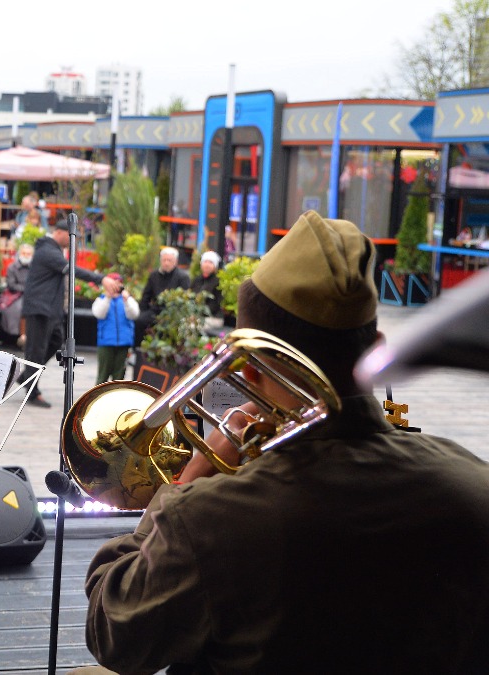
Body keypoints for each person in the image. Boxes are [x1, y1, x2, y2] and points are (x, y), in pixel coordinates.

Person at [78, 211, 489, 674]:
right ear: (375, 346)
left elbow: (112, 633)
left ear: (249, 368)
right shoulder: (475, 485)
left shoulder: (206, 519)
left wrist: (185, 484)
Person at [16, 219, 116, 408]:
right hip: (39, 309)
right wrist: (100, 279)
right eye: (71, 236)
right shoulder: (48, 251)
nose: (73, 240)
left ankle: (27, 376)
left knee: (55, 341)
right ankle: (32, 390)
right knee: (35, 350)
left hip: (50, 310)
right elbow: (71, 269)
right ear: (60, 232)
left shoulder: (52, 250)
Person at [91, 272, 139, 384]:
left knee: (119, 376)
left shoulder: (127, 300)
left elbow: (134, 314)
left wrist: (127, 300)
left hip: (124, 343)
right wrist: (108, 297)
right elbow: (99, 313)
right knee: (102, 375)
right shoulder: (102, 299)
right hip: (106, 343)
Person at [135, 246, 190, 342]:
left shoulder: (183, 277)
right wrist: (142, 312)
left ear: (175, 262)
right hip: (155, 311)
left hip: (173, 313)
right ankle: (139, 351)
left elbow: (185, 301)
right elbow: (146, 296)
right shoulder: (154, 275)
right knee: (139, 321)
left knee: (169, 328)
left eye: (169, 260)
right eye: (164, 260)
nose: (166, 263)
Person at [0, 243, 32, 347]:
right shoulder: (12, 267)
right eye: (24, 253)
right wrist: (25, 289)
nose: (26, 256)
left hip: (32, 294)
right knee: (17, 309)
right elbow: (11, 285)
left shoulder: (35, 268)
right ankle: (19, 336)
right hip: (15, 294)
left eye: (28, 254)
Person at [190, 250, 223, 319]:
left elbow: (215, 304)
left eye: (211, 262)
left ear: (215, 266)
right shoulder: (196, 280)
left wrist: (199, 314)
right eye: (205, 262)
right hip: (194, 315)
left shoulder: (218, 282)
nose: (207, 265)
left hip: (212, 317)